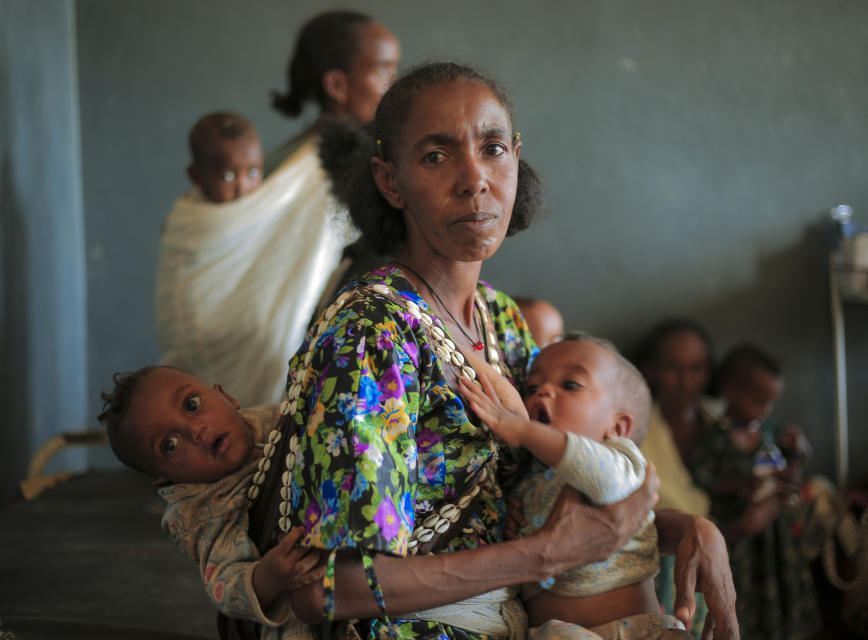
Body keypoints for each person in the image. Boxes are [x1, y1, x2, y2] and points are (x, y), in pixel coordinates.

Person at [240, 62, 738, 640]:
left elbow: (552, 488)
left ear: (516, 159)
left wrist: (690, 531)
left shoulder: (500, 320)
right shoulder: (373, 334)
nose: (474, 179)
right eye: (435, 156)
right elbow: (326, 589)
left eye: (493, 148)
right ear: (389, 180)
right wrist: (543, 557)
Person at [155, 11, 401, 408]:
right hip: (254, 340)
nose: (393, 85)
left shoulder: (306, 156)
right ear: (337, 84)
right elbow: (221, 233)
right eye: (382, 71)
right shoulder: (330, 166)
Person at [460, 334, 692, 639]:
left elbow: (598, 475)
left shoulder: (621, 459)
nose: (543, 391)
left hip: (639, 631)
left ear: (618, 427)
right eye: (531, 388)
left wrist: (522, 429)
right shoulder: (530, 478)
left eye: (570, 385)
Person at [97, 365, 322, 636]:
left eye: (191, 405)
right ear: (166, 479)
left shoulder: (276, 418)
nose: (195, 431)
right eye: (169, 444)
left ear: (226, 397)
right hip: (296, 609)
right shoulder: (203, 511)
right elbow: (224, 584)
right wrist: (268, 578)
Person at [691, 345, 821, 640]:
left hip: (775, 535)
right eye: (758, 400)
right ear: (730, 391)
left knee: (778, 590)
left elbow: (787, 464)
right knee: (744, 598)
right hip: (740, 538)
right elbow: (702, 477)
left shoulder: (770, 432)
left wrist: (794, 452)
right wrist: (740, 485)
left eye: (770, 402)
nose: (765, 409)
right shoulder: (715, 437)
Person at [186, 112, 264, 204]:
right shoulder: (192, 216)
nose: (243, 188)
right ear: (197, 176)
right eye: (228, 176)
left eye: (252, 172)